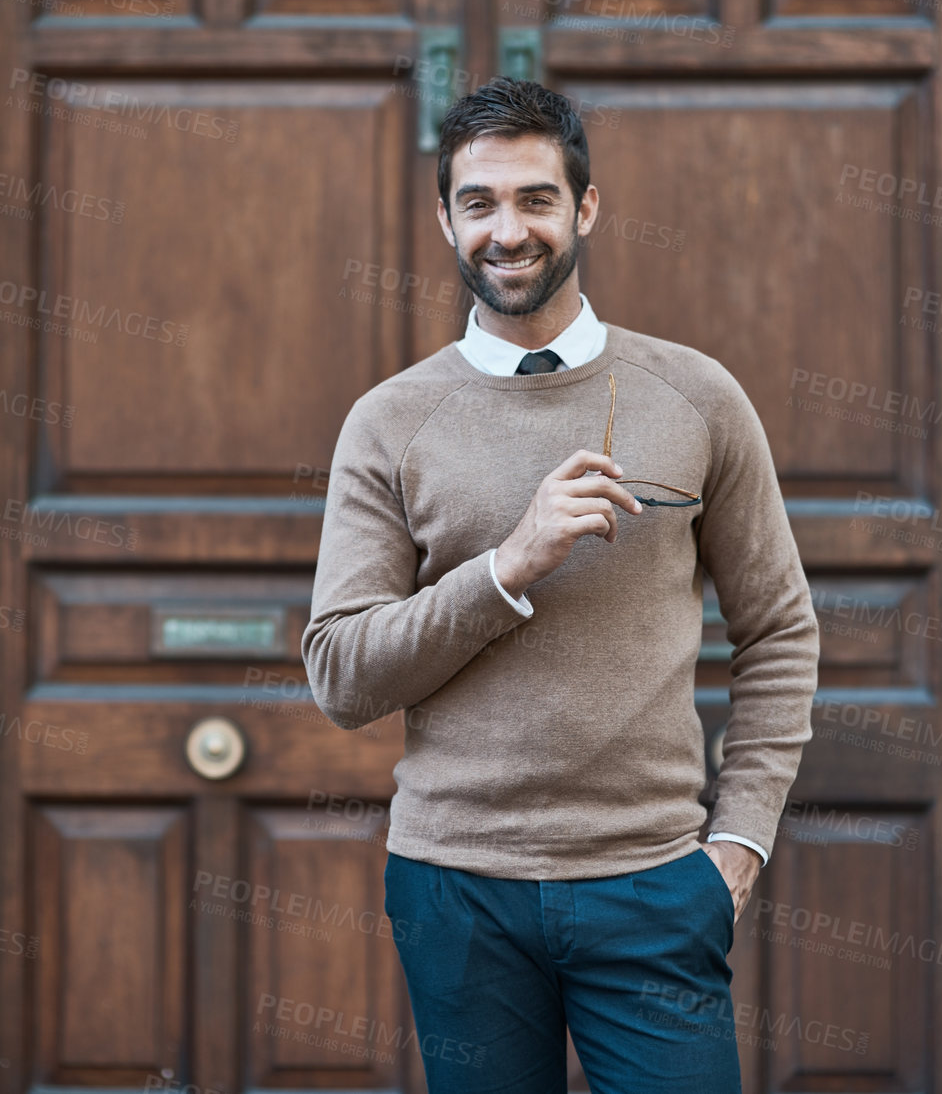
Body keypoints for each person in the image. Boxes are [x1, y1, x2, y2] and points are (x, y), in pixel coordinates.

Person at [301, 76, 820, 1093]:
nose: (508, 229)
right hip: (455, 887)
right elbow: (340, 674)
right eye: (480, 202)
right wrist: (505, 567)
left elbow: (777, 630)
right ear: (444, 218)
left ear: (584, 208)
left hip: (653, 882)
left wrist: (740, 840)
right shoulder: (387, 421)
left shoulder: (697, 398)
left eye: (536, 198)